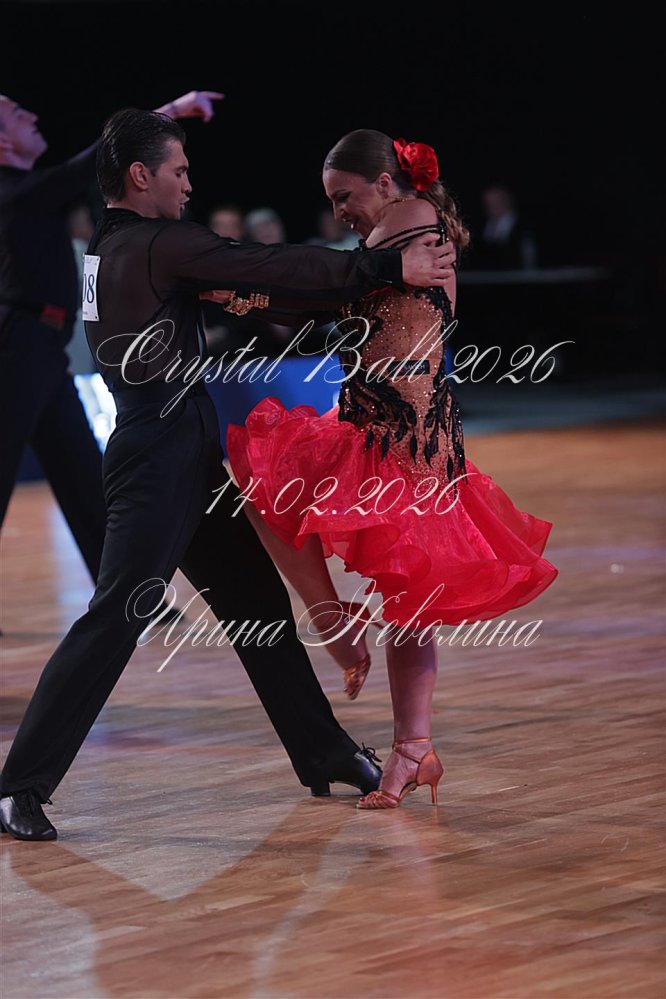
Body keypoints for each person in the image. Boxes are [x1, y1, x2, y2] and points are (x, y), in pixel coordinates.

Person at [0, 110, 456, 841]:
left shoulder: (111, 246)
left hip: (178, 445)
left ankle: (324, 750)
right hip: (158, 457)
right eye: (179, 172)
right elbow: (269, 265)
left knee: (255, 605)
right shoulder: (159, 243)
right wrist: (377, 267)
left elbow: (252, 284)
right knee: (118, 614)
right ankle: (19, 785)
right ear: (141, 176)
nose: (189, 185)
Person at [225, 129, 559, 810]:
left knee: (408, 597)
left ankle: (375, 687)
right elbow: (330, 290)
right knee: (272, 491)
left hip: (407, 439)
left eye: (344, 195)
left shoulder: (413, 219)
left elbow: (330, 279)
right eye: (331, 200)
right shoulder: (391, 240)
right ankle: (404, 733)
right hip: (372, 424)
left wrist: (244, 285)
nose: (339, 210)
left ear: (385, 182)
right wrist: (240, 297)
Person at [0, 90, 218, 601]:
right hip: (17, 350)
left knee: (80, 474)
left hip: (41, 349)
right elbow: (91, 163)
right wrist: (168, 114)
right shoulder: (10, 190)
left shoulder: (29, 190)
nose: (32, 114)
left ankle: (127, 601)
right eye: (16, 114)